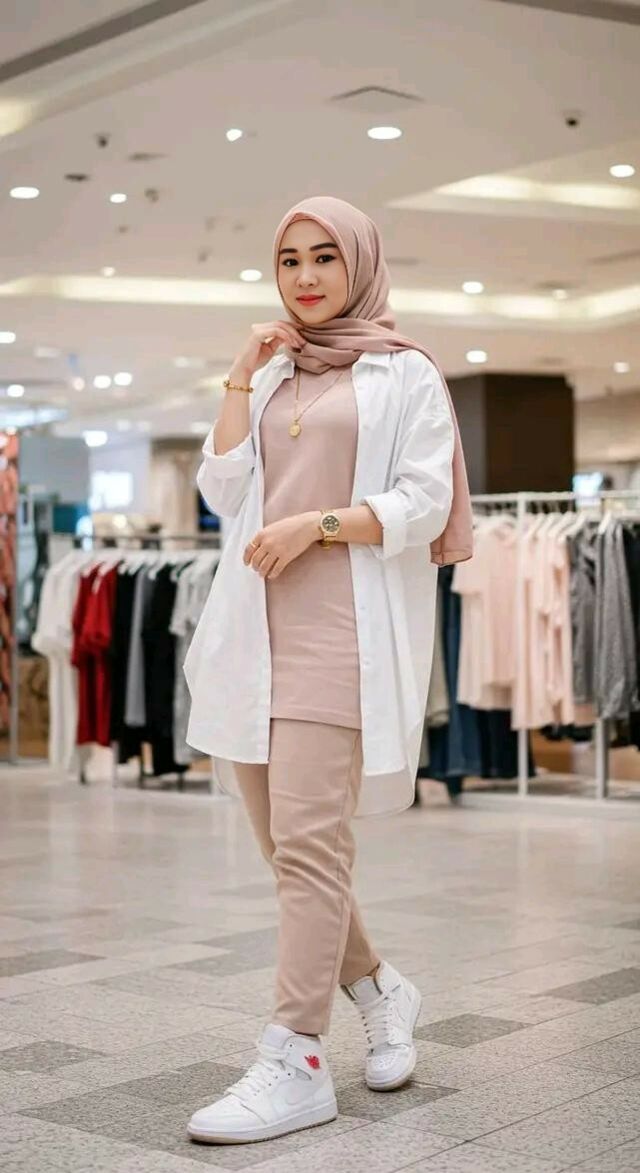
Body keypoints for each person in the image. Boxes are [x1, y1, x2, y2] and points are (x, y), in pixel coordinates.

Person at [184, 195, 472, 1145]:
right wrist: (239, 376)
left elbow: (425, 499)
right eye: (289, 260)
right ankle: (382, 989)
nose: (305, 277)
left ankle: (296, 1055)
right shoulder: (273, 373)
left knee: (310, 848)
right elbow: (222, 488)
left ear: (360, 264)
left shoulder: (405, 371)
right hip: (252, 636)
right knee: (289, 851)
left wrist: (317, 525)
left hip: (342, 632)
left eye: (324, 258)